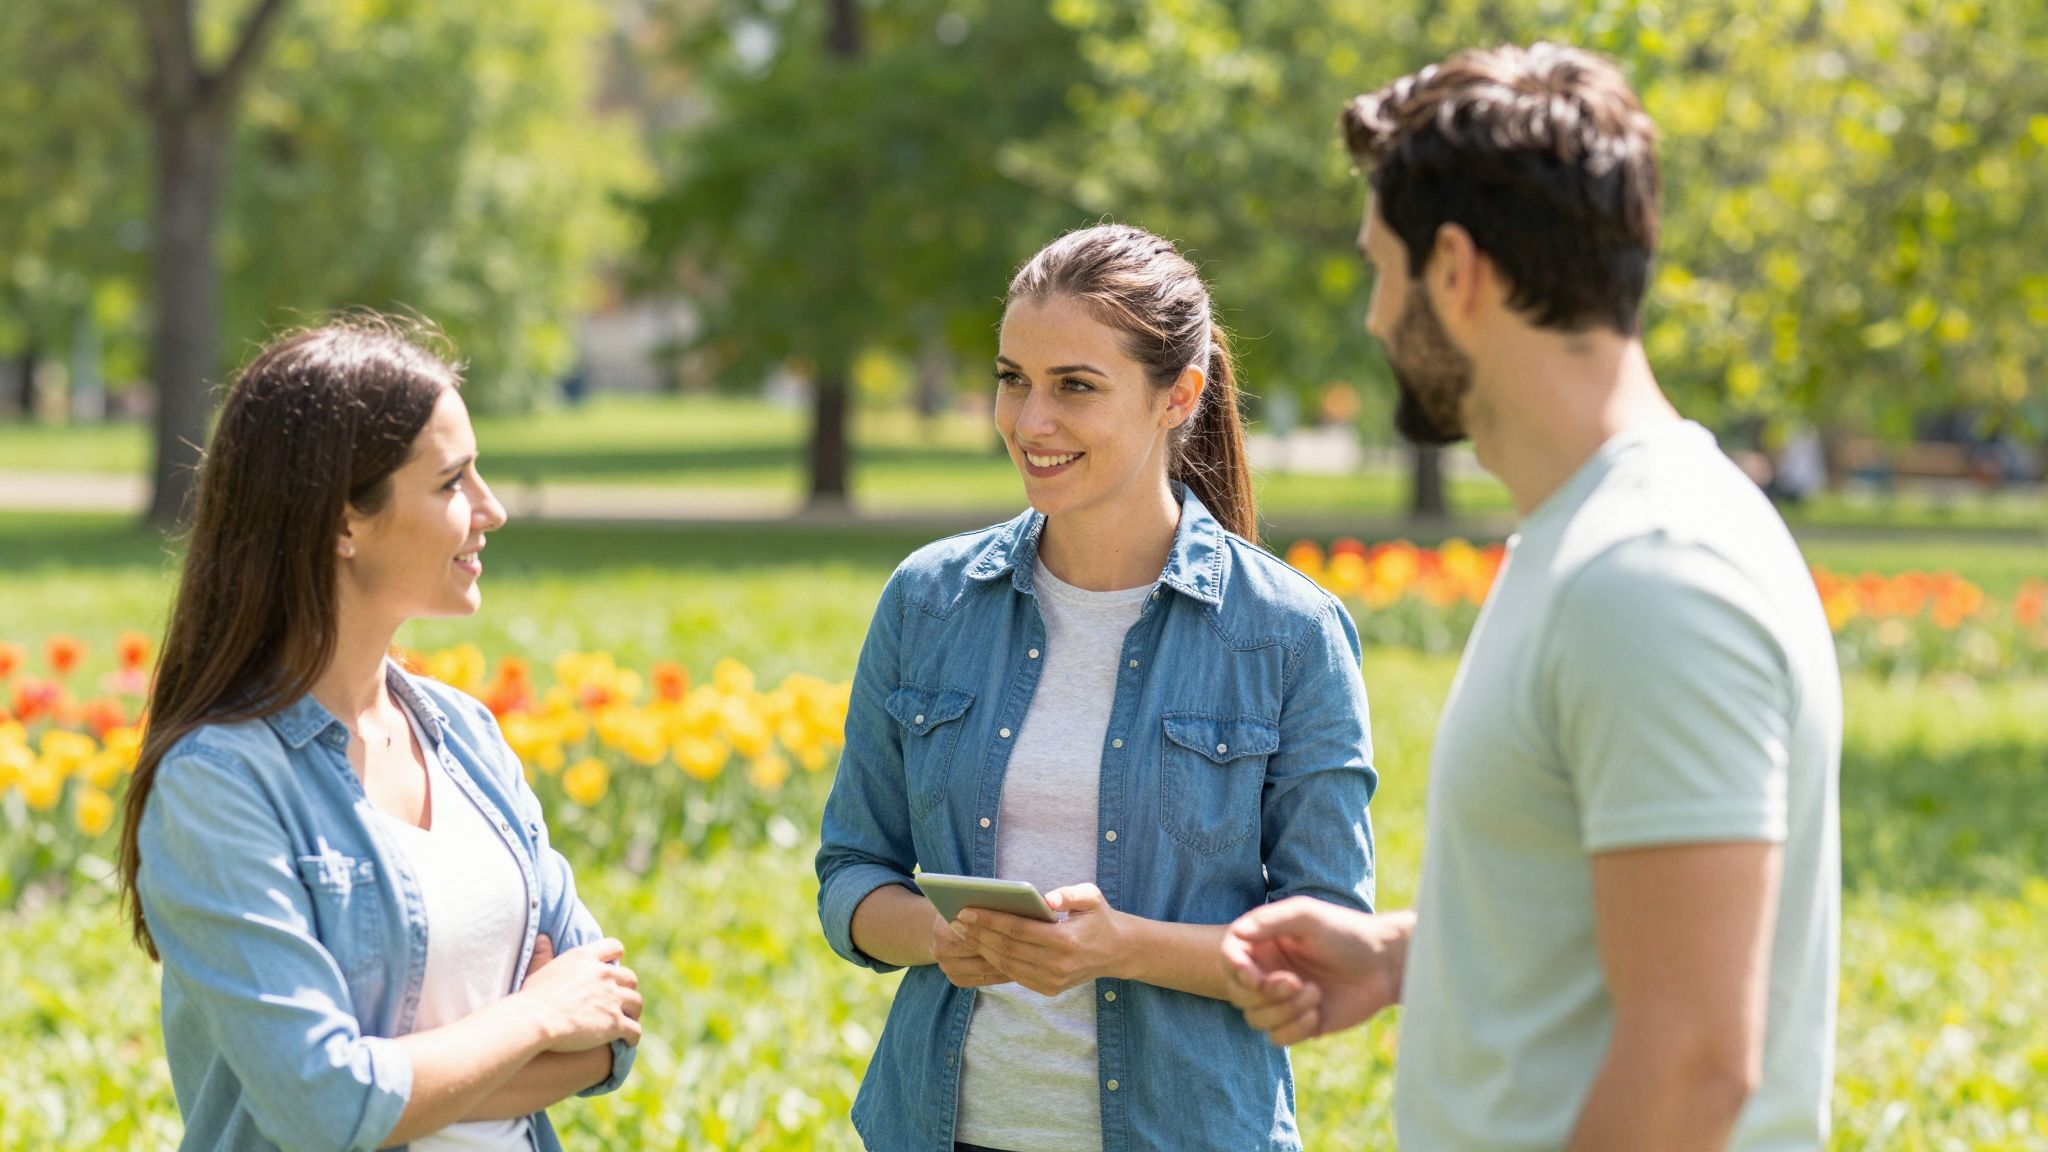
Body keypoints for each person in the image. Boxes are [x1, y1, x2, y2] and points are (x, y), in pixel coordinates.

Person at [1222, 43, 1843, 1152]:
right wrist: (1415, 954)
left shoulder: (1648, 573)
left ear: (1454, 270)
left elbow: (1694, 1061)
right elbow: (1630, 933)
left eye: (1381, 268)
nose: (1372, 318)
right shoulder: (1589, 542)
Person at [816, 224, 1377, 1152]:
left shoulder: (1287, 634)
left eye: (1075, 385)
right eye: (1012, 378)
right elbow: (852, 871)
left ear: (1177, 396)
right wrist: (938, 938)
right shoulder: (927, 603)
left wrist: (1123, 947)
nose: (1030, 421)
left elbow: (1325, 955)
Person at [118, 318, 641, 1151]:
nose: (492, 510)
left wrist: (386, 1085)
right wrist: (535, 1015)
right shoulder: (218, 784)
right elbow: (321, 1106)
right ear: (341, 523)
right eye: (451, 483)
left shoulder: (465, 734)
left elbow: (609, 1033)